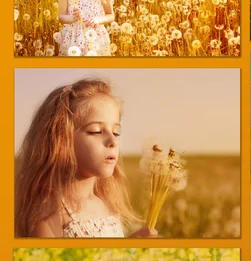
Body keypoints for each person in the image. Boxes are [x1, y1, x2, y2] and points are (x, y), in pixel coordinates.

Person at [15, 78, 156, 238]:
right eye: (96, 131)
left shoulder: (105, 203)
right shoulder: (49, 211)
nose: (113, 141)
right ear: (60, 140)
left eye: (116, 132)